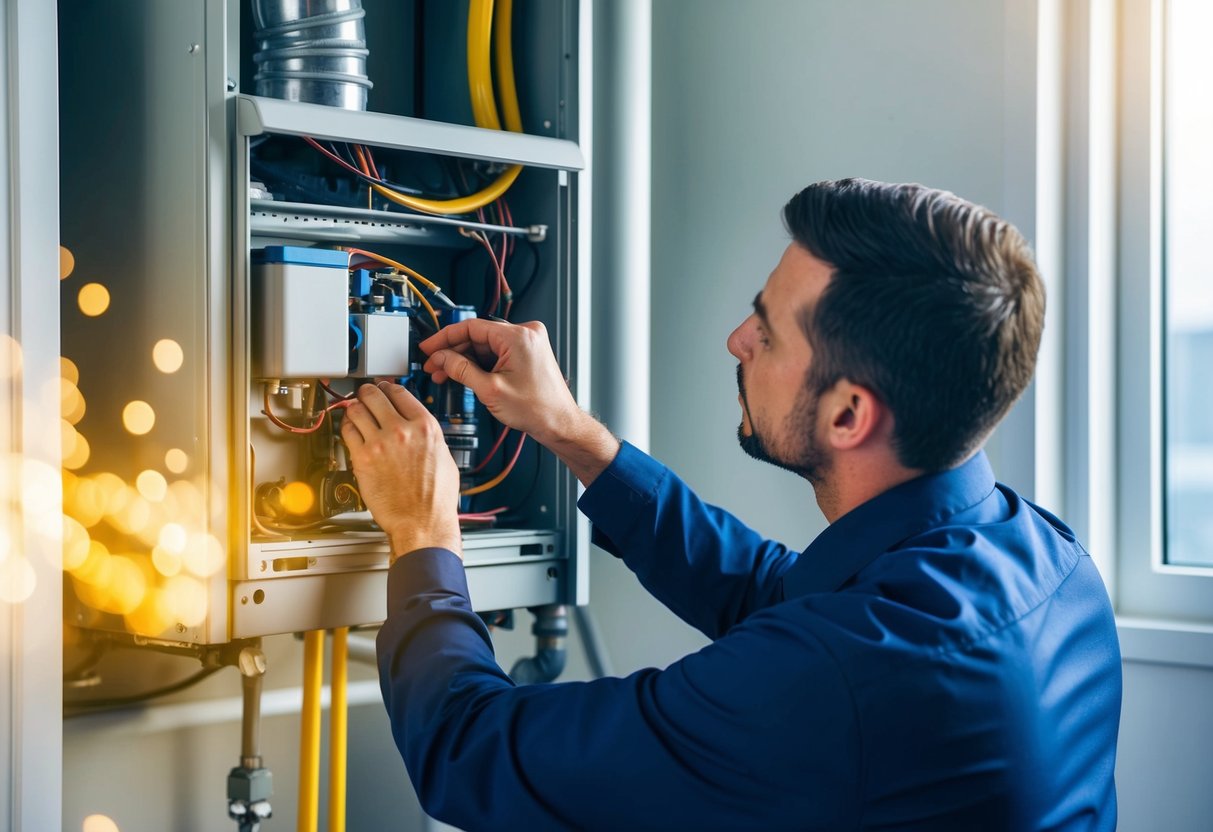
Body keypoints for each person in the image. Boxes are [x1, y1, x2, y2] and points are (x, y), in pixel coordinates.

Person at [339, 178, 1121, 831]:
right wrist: (574, 435)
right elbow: (777, 596)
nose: (736, 340)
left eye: (769, 333)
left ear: (849, 415)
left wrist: (422, 533)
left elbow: (467, 754)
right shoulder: (1045, 556)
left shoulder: (840, 679)